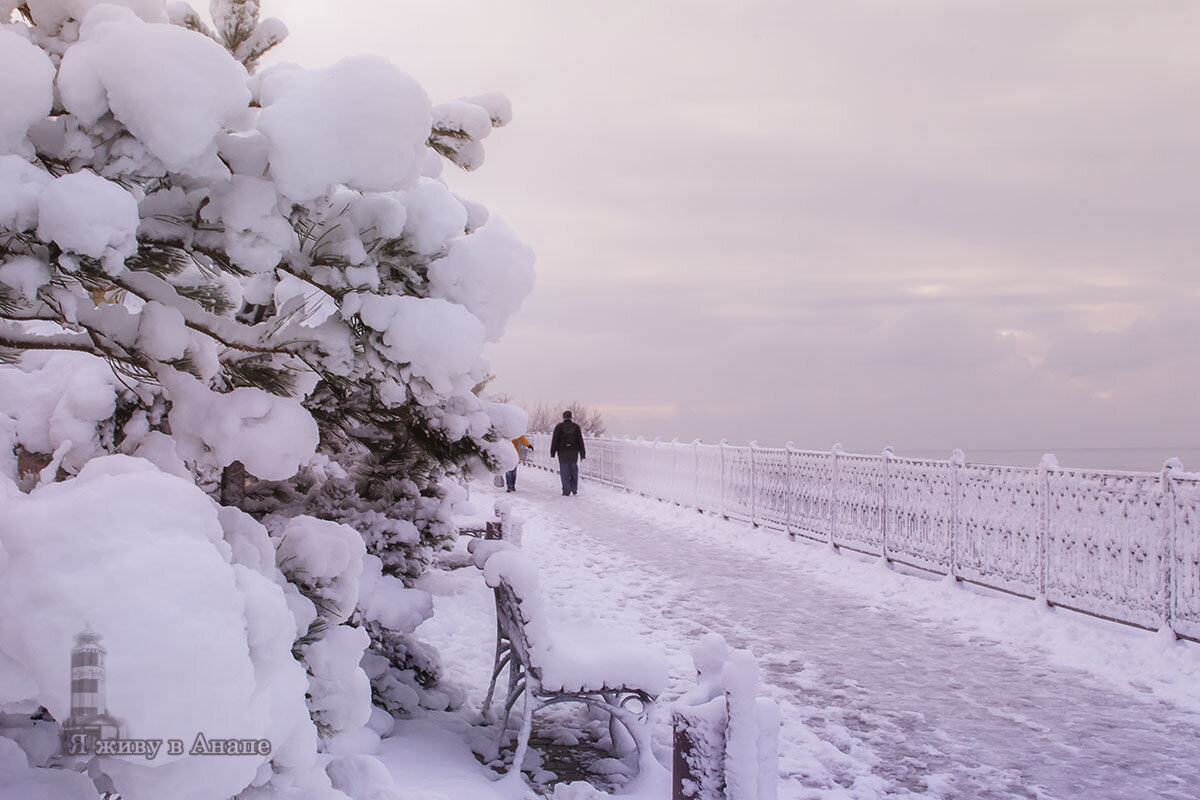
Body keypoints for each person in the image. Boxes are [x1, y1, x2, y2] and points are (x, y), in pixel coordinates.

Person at [549, 410, 586, 496]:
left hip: (562, 453)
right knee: (574, 470)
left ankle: (566, 490)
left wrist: (552, 452)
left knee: (564, 472)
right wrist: (582, 453)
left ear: (563, 417)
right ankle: (574, 488)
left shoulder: (559, 427)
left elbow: (555, 440)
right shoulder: (576, 427)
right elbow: (580, 441)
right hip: (574, 452)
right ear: (571, 417)